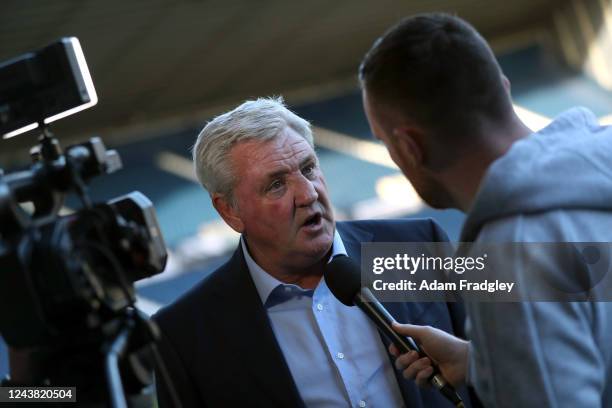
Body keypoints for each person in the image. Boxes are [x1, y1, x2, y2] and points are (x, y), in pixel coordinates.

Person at [359, 12, 612, 407]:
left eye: (384, 142)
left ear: (410, 148)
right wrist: (484, 362)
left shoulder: (516, 251)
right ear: (504, 89)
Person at [153, 97, 473, 407]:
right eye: (276, 184)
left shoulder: (421, 244)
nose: (308, 194)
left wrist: (473, 361)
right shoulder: (183, 334)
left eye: (308, 169)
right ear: (230, 212)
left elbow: (509, 356)